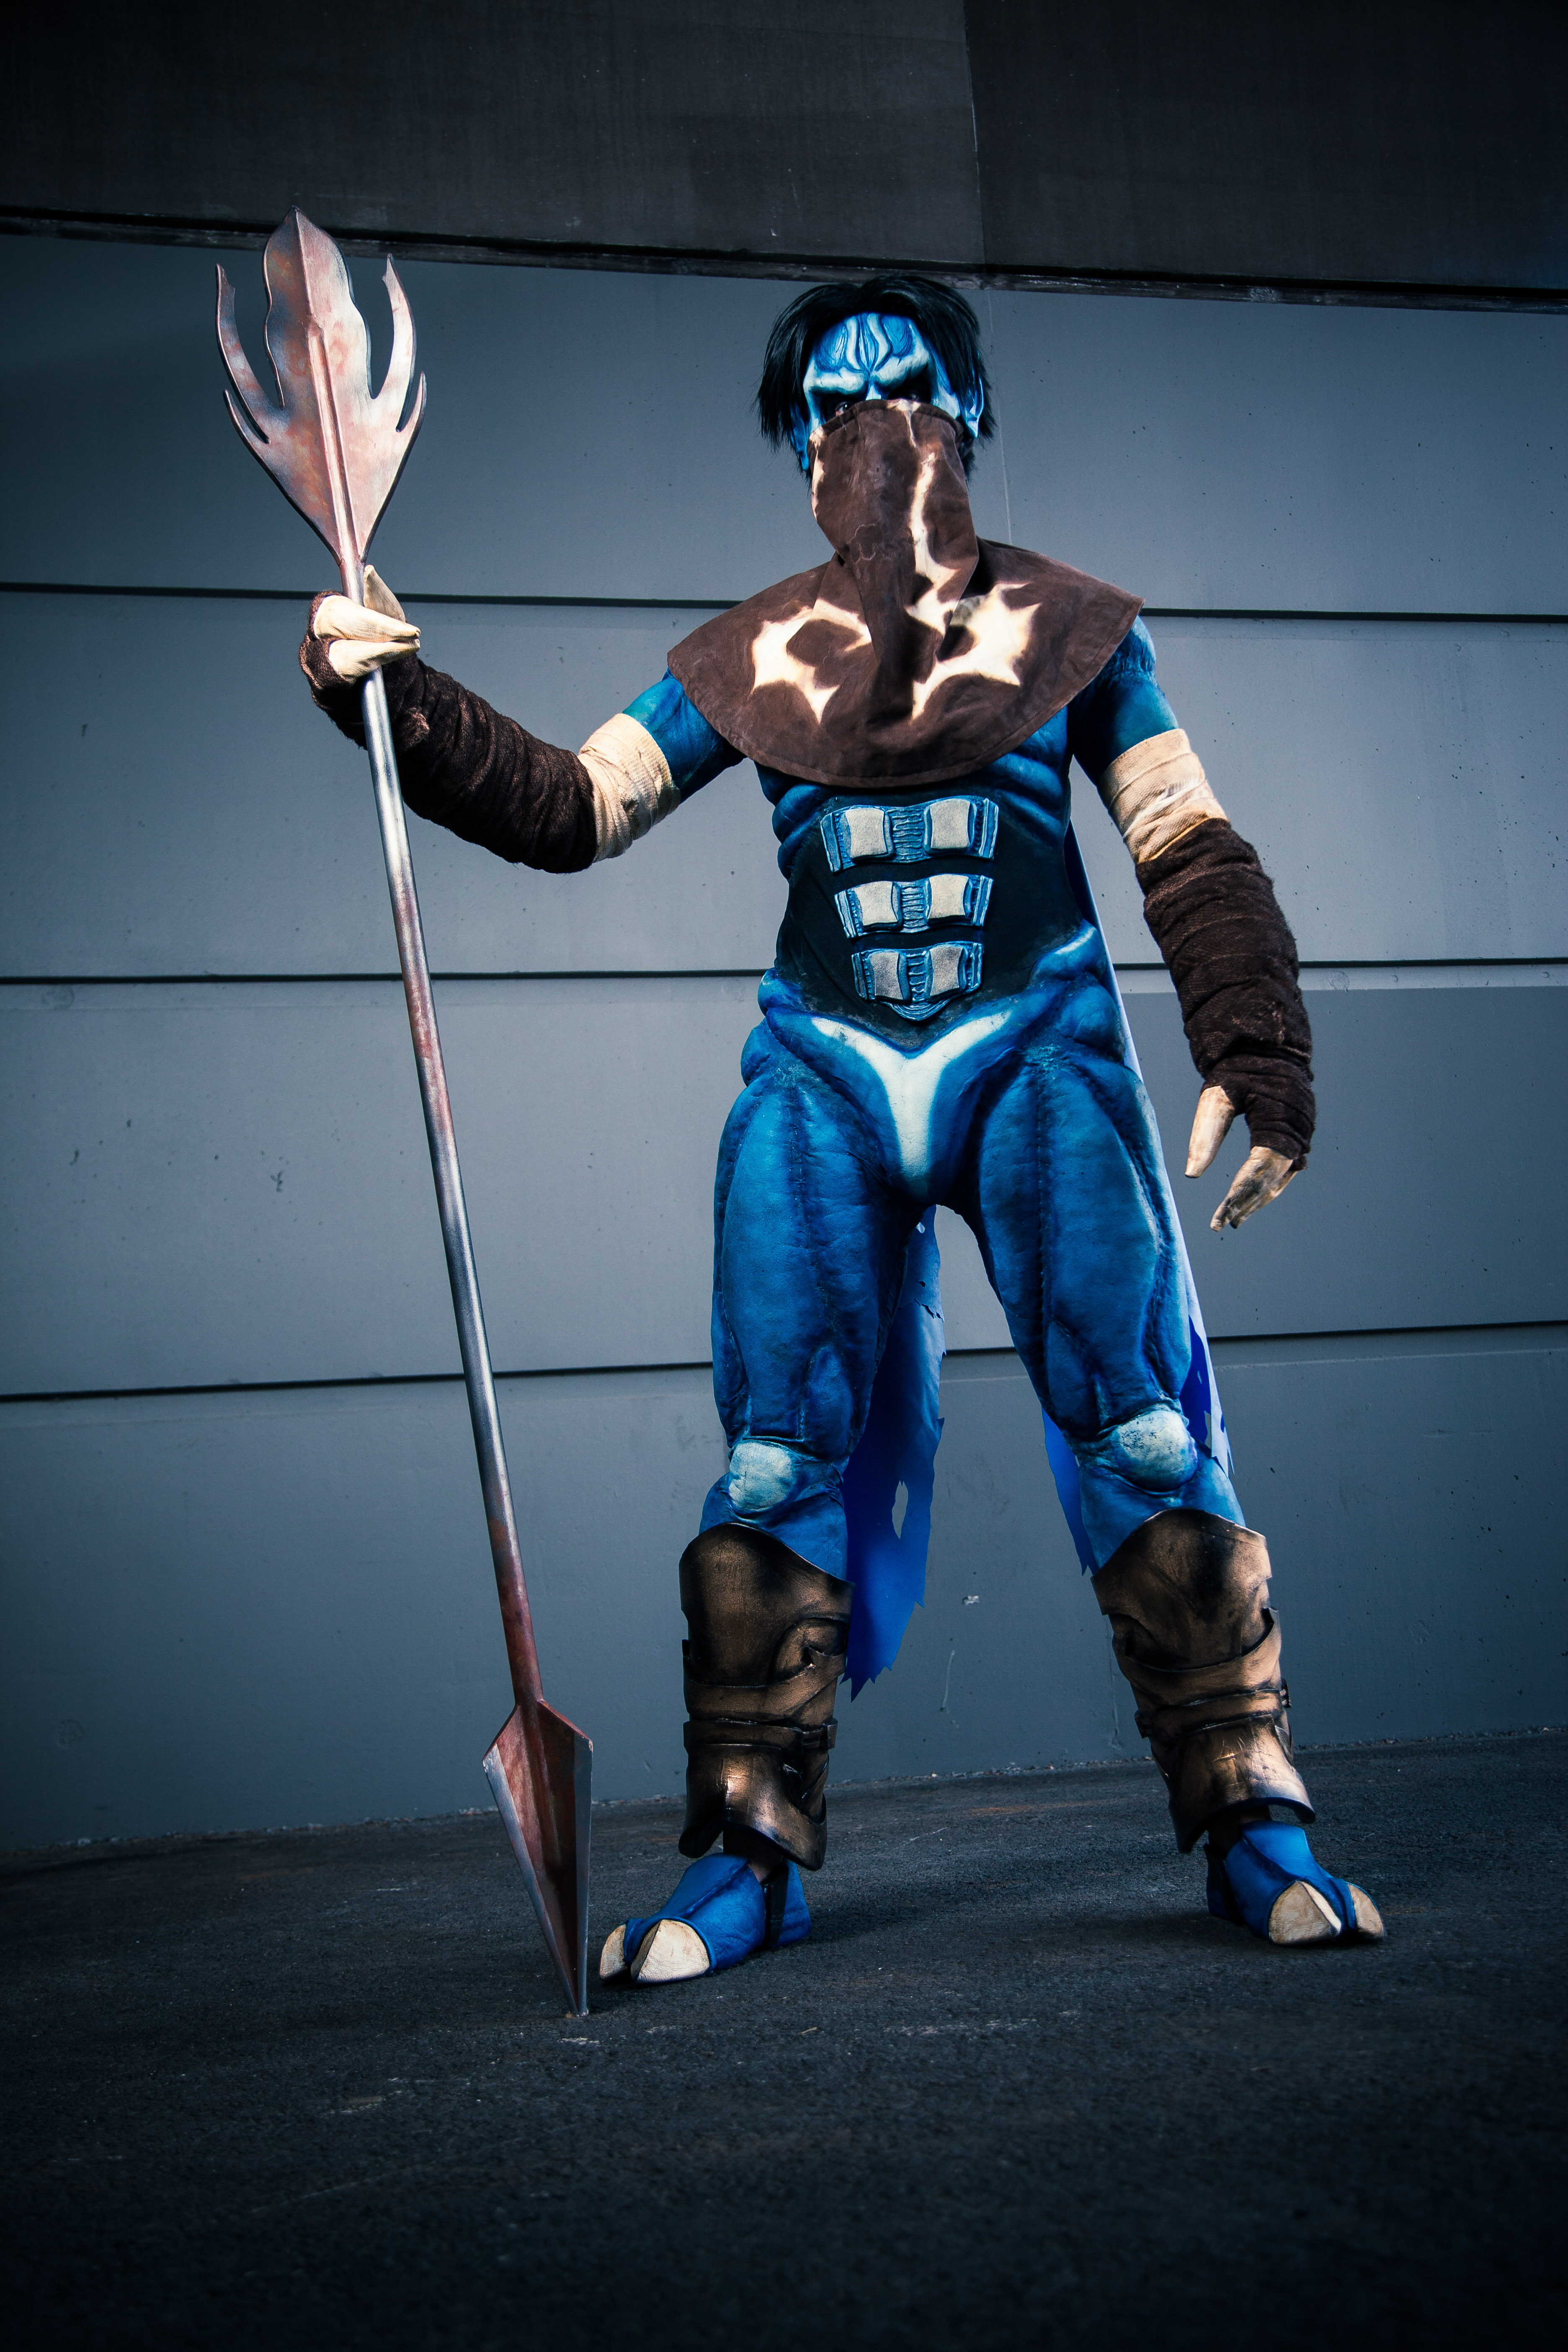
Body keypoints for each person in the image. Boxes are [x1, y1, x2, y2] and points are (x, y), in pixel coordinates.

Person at [299, 276, 1383, 1984]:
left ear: (970, 409)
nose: (874, 422)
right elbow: (574, 805)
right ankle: (747, 1858)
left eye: (908, 384)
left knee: (1145, 1434)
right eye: (835, 398)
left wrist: (1255, 1041)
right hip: (824, 1069)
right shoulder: (753, 656)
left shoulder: (1077, 630)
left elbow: (1185, 840)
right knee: (774, 1463)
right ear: (797, 441)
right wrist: (400, 697)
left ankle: (1260, 1825)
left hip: (1036, 1051)